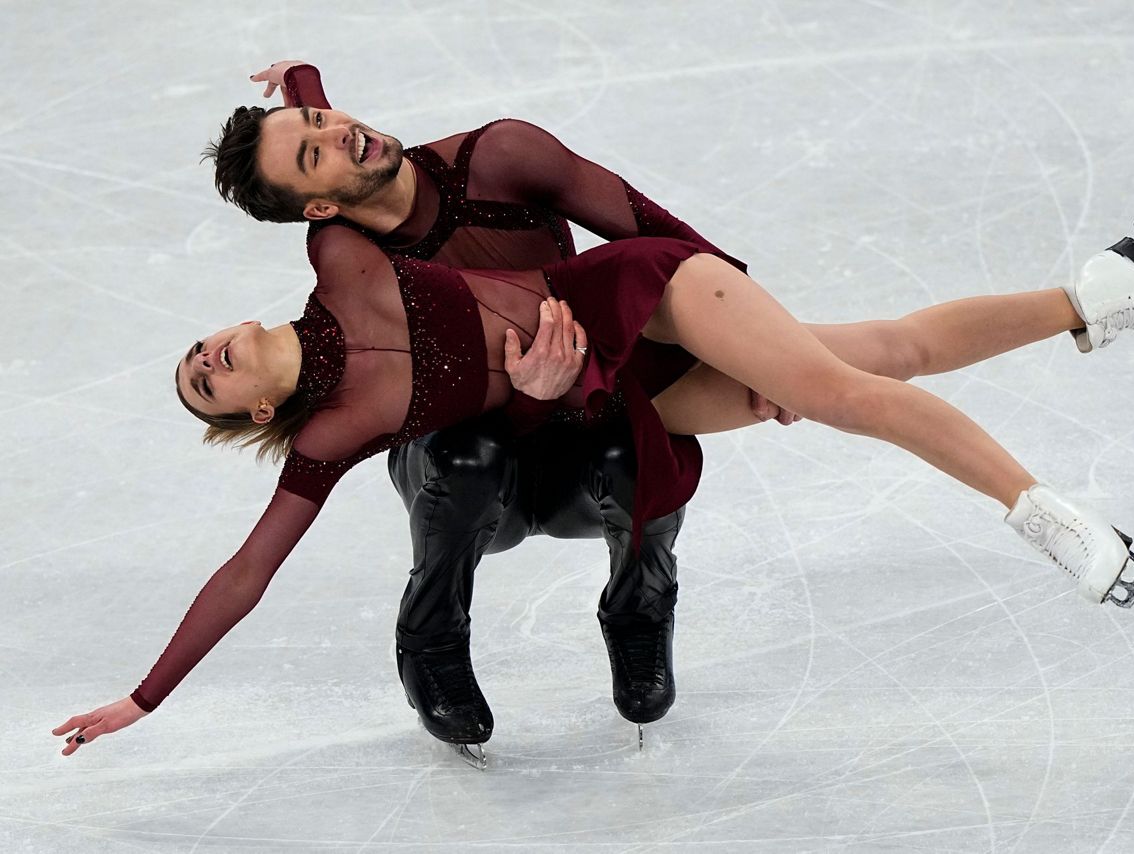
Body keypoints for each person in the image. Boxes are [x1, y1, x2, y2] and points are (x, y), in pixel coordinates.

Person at [53, 217, 1134, 758]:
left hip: (637, 297)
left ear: (233, 325)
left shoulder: (338, 262)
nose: (202, 361)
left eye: (196, 350)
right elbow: (248, 568)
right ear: (251, 413)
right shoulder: (336, 431)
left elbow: (389, 169)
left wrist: (296, 83)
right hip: (613, 398)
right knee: (881, 352)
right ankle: (1097, 290)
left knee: (837, 388)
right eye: (199, 389)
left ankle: (1049, 518)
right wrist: (146, 697)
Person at [206, 61, 801, 749]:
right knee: (469, 455)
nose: (341, 136)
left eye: (324, 124)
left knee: (637, 447)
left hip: (577, 422)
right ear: (319, 209)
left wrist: (769, 354)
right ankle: (431, 638)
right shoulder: (348, 249)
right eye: (315, 148)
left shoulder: (496, 158)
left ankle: (640, 610)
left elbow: (668, 240)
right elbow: (320, 168)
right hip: (464, 457)